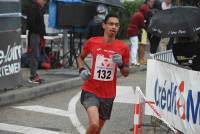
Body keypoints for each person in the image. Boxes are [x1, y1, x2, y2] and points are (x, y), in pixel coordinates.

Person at [77, 14, 130, 134]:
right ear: (104, 25)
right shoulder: (93, 42)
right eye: (111, 24)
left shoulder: (123, 47)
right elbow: (80, 58)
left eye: (116, 25)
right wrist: (81, 70)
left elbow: (126, 73)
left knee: (97, 130)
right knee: (94, 124)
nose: (114, 27)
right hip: (91, 90)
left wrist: (121, 64)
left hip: (108, 94)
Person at [26, 0, 47, 84]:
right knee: (34, 55)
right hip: (34, 34)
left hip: (37, 34)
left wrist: (42, 35)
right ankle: (32, 76)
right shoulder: (33, 7)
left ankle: (34, 74)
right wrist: (39, 32)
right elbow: (31, 23)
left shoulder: (38, 8)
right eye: (44, 0)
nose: (45, 2)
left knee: (36, 55)